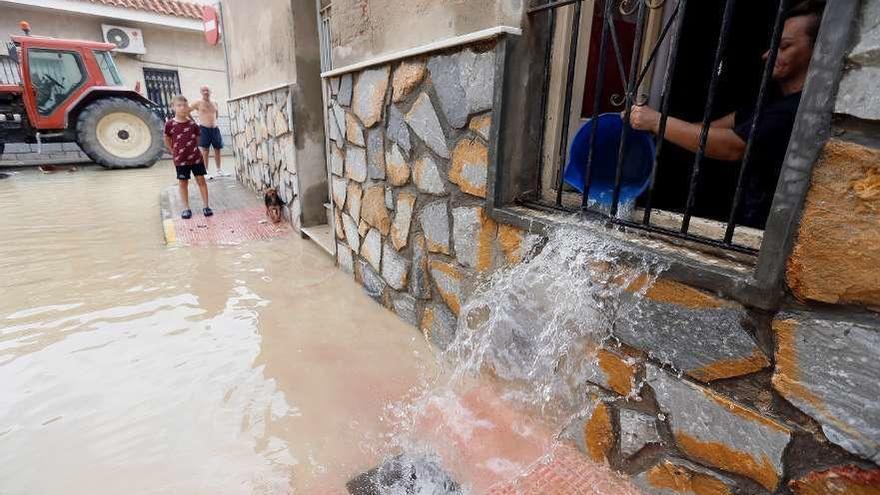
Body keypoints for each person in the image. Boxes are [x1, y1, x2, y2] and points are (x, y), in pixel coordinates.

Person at [628, 3, 822, 228]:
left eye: (784, 46)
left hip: (766, 228)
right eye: (772, 45)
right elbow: (710, 130)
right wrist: (647, 126)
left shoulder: (797, 109)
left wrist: (655, 121)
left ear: (817, 50)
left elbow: (732, 147)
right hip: (745, 216)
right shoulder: (771, 100)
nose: (767, 55)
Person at [164, 95, 213, 219]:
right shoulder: (170, 124)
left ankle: (206, 206)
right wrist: (173, 151)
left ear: (187, 107)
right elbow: (167, 138)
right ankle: (186, 208)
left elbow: (197, 139)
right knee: (183, 183)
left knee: (201, 180)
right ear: (173, 108)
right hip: (180, 160)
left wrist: (192, 149)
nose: (182, 108)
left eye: (184, 105)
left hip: (196, 158)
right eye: (179, 105)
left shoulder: (193, 124)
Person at [190, 86, 229, 178]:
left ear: (210, 92)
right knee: (205, 151)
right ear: (201, 92)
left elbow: (216, 114)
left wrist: (213, 122)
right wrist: (193, 122)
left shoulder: (215, 102)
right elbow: (187, 110)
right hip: (204, 129)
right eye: (203, 90)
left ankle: (219, 170)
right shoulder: (198, 103)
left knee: (217, 149)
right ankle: (206, 171)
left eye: (207, 90)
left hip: (215, 129)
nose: (205, 92)